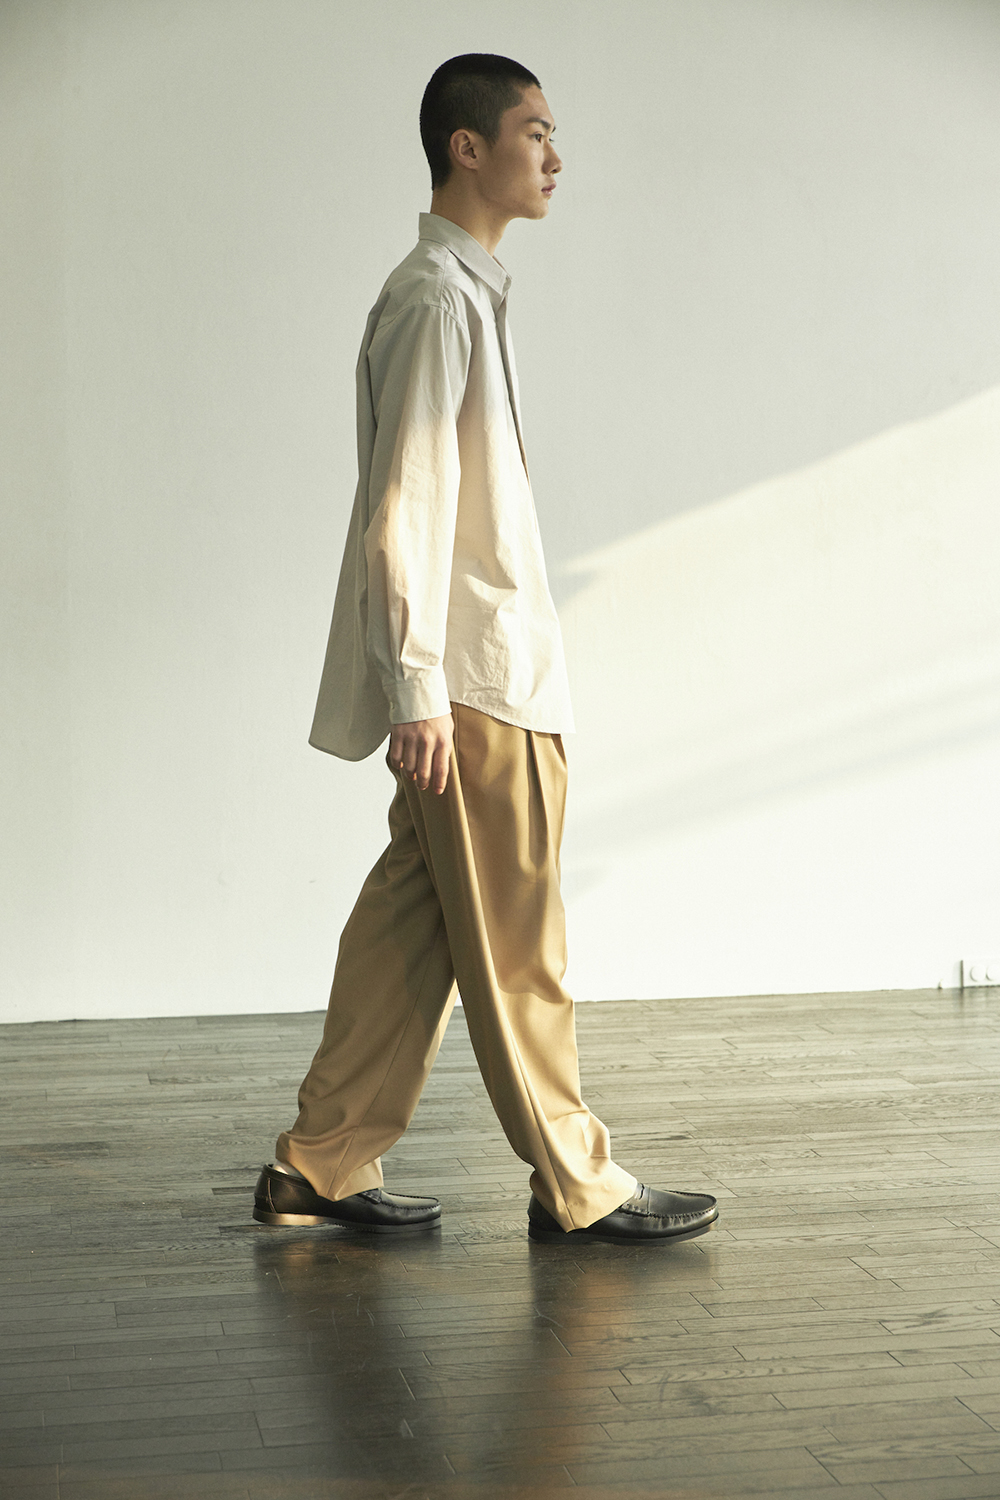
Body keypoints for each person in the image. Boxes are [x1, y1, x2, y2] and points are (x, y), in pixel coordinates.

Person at [253, 54, 718, 1245]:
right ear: (469, 147)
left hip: (474, 674)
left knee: (410, 930)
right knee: (519, 946)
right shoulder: (436, 300)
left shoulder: (459, 293)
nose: (555, 155)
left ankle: (320, 1160)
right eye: (535, 131)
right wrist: (418, 686)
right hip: (474, 686)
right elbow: (403, 505)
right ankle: (579, 1182)